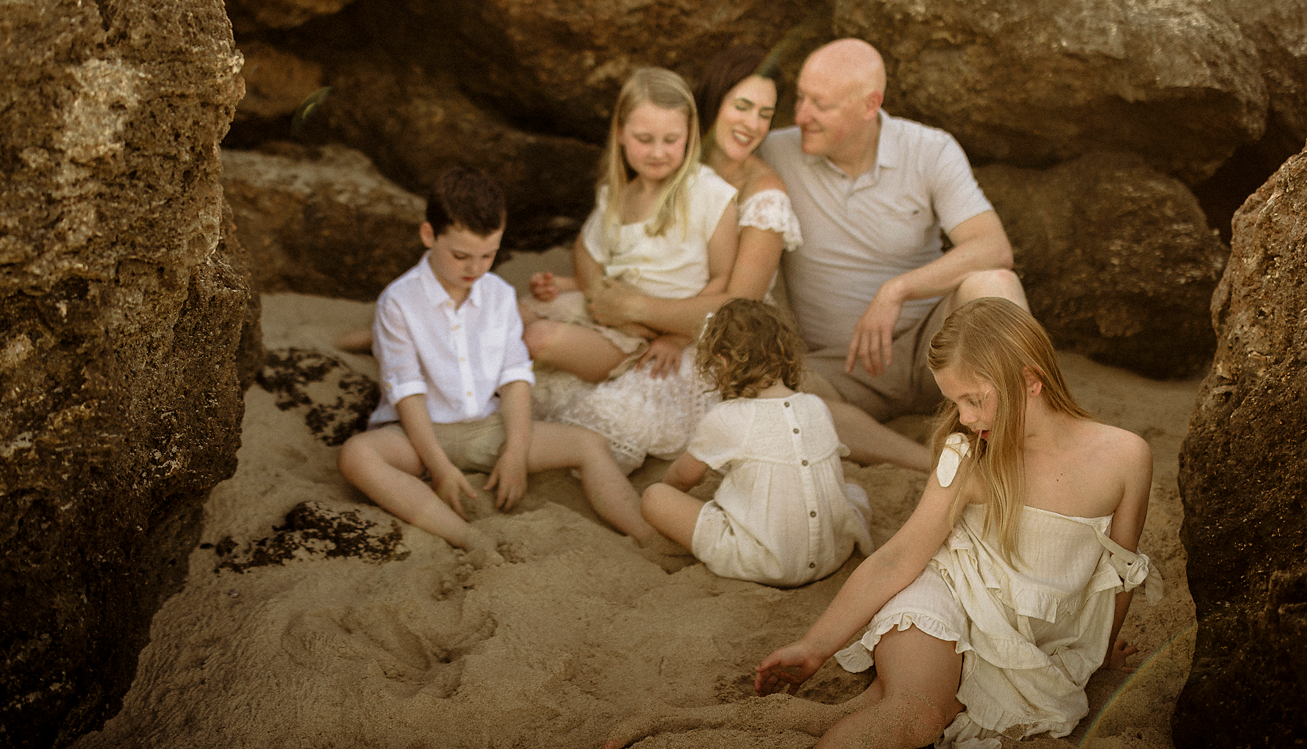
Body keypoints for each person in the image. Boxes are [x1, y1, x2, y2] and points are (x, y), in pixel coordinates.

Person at [590, 298, 1161, 749]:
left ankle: (672, 721)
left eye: (974, 400)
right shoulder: (970, 456)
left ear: (1030, 380)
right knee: (915, 716)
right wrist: (816, 645)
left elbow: (1117, 574)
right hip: (946, 596)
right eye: (954, 401)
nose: (963, 418)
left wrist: (1099, 653)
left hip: (1025, 631)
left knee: (861, 718)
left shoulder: (1125, 457)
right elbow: (900, 556)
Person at [573, 45, 926, 472]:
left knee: (795, 410)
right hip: (648, 321)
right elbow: (609, 236)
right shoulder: (670, 155)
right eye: (742, 106)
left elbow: (739, 305)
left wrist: (637, 310)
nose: (752, 124)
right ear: (714, 103)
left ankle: (925, 461)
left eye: (765, 113)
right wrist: (596, 290)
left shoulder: (764, 193)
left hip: (726, 335)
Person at [337, 168, 656, 563]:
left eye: (488, 255)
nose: (475, 269)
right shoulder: (398, 302)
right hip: (418, 435)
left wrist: (516, 453)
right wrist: (439, 467)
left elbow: (516, 379)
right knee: (357, 455)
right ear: (428, 235)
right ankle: (467, 537)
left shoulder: (500, 295)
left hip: (488, 428)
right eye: (460, 256)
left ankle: (645, 536)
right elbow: (407, 392)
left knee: (589, 444)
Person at [756, 38, 1028, 422]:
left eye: (821, 104)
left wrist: (897, 290)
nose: (800, 116)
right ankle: (917, 460)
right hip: (838, 370)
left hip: (939, 352)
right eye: (800, 98)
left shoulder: (930, 149)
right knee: (770, 396)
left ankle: (1024, 431)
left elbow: (993, 247)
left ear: (870, 105)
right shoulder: (774, 151)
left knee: (995, 285)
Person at [523, 66, 738, 384]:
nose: (657, 152)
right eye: (644, 139)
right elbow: (587, 249)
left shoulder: (710, 193)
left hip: (653, 333)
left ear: (690, 134)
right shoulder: (617, 196)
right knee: (516, 313)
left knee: (538, 338)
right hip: (613, 316)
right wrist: (580, 286)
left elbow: (723, 279)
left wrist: (678, 337)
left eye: (671, 139)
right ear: (621, 133)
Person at [640, 299, 872, 587]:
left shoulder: (726, 417)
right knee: (853, 487)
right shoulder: (816, 406)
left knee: (654, 497)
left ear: (723, 361)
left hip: (766, 563)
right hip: (833, 555)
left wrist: (671, 492)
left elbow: (683, 477)